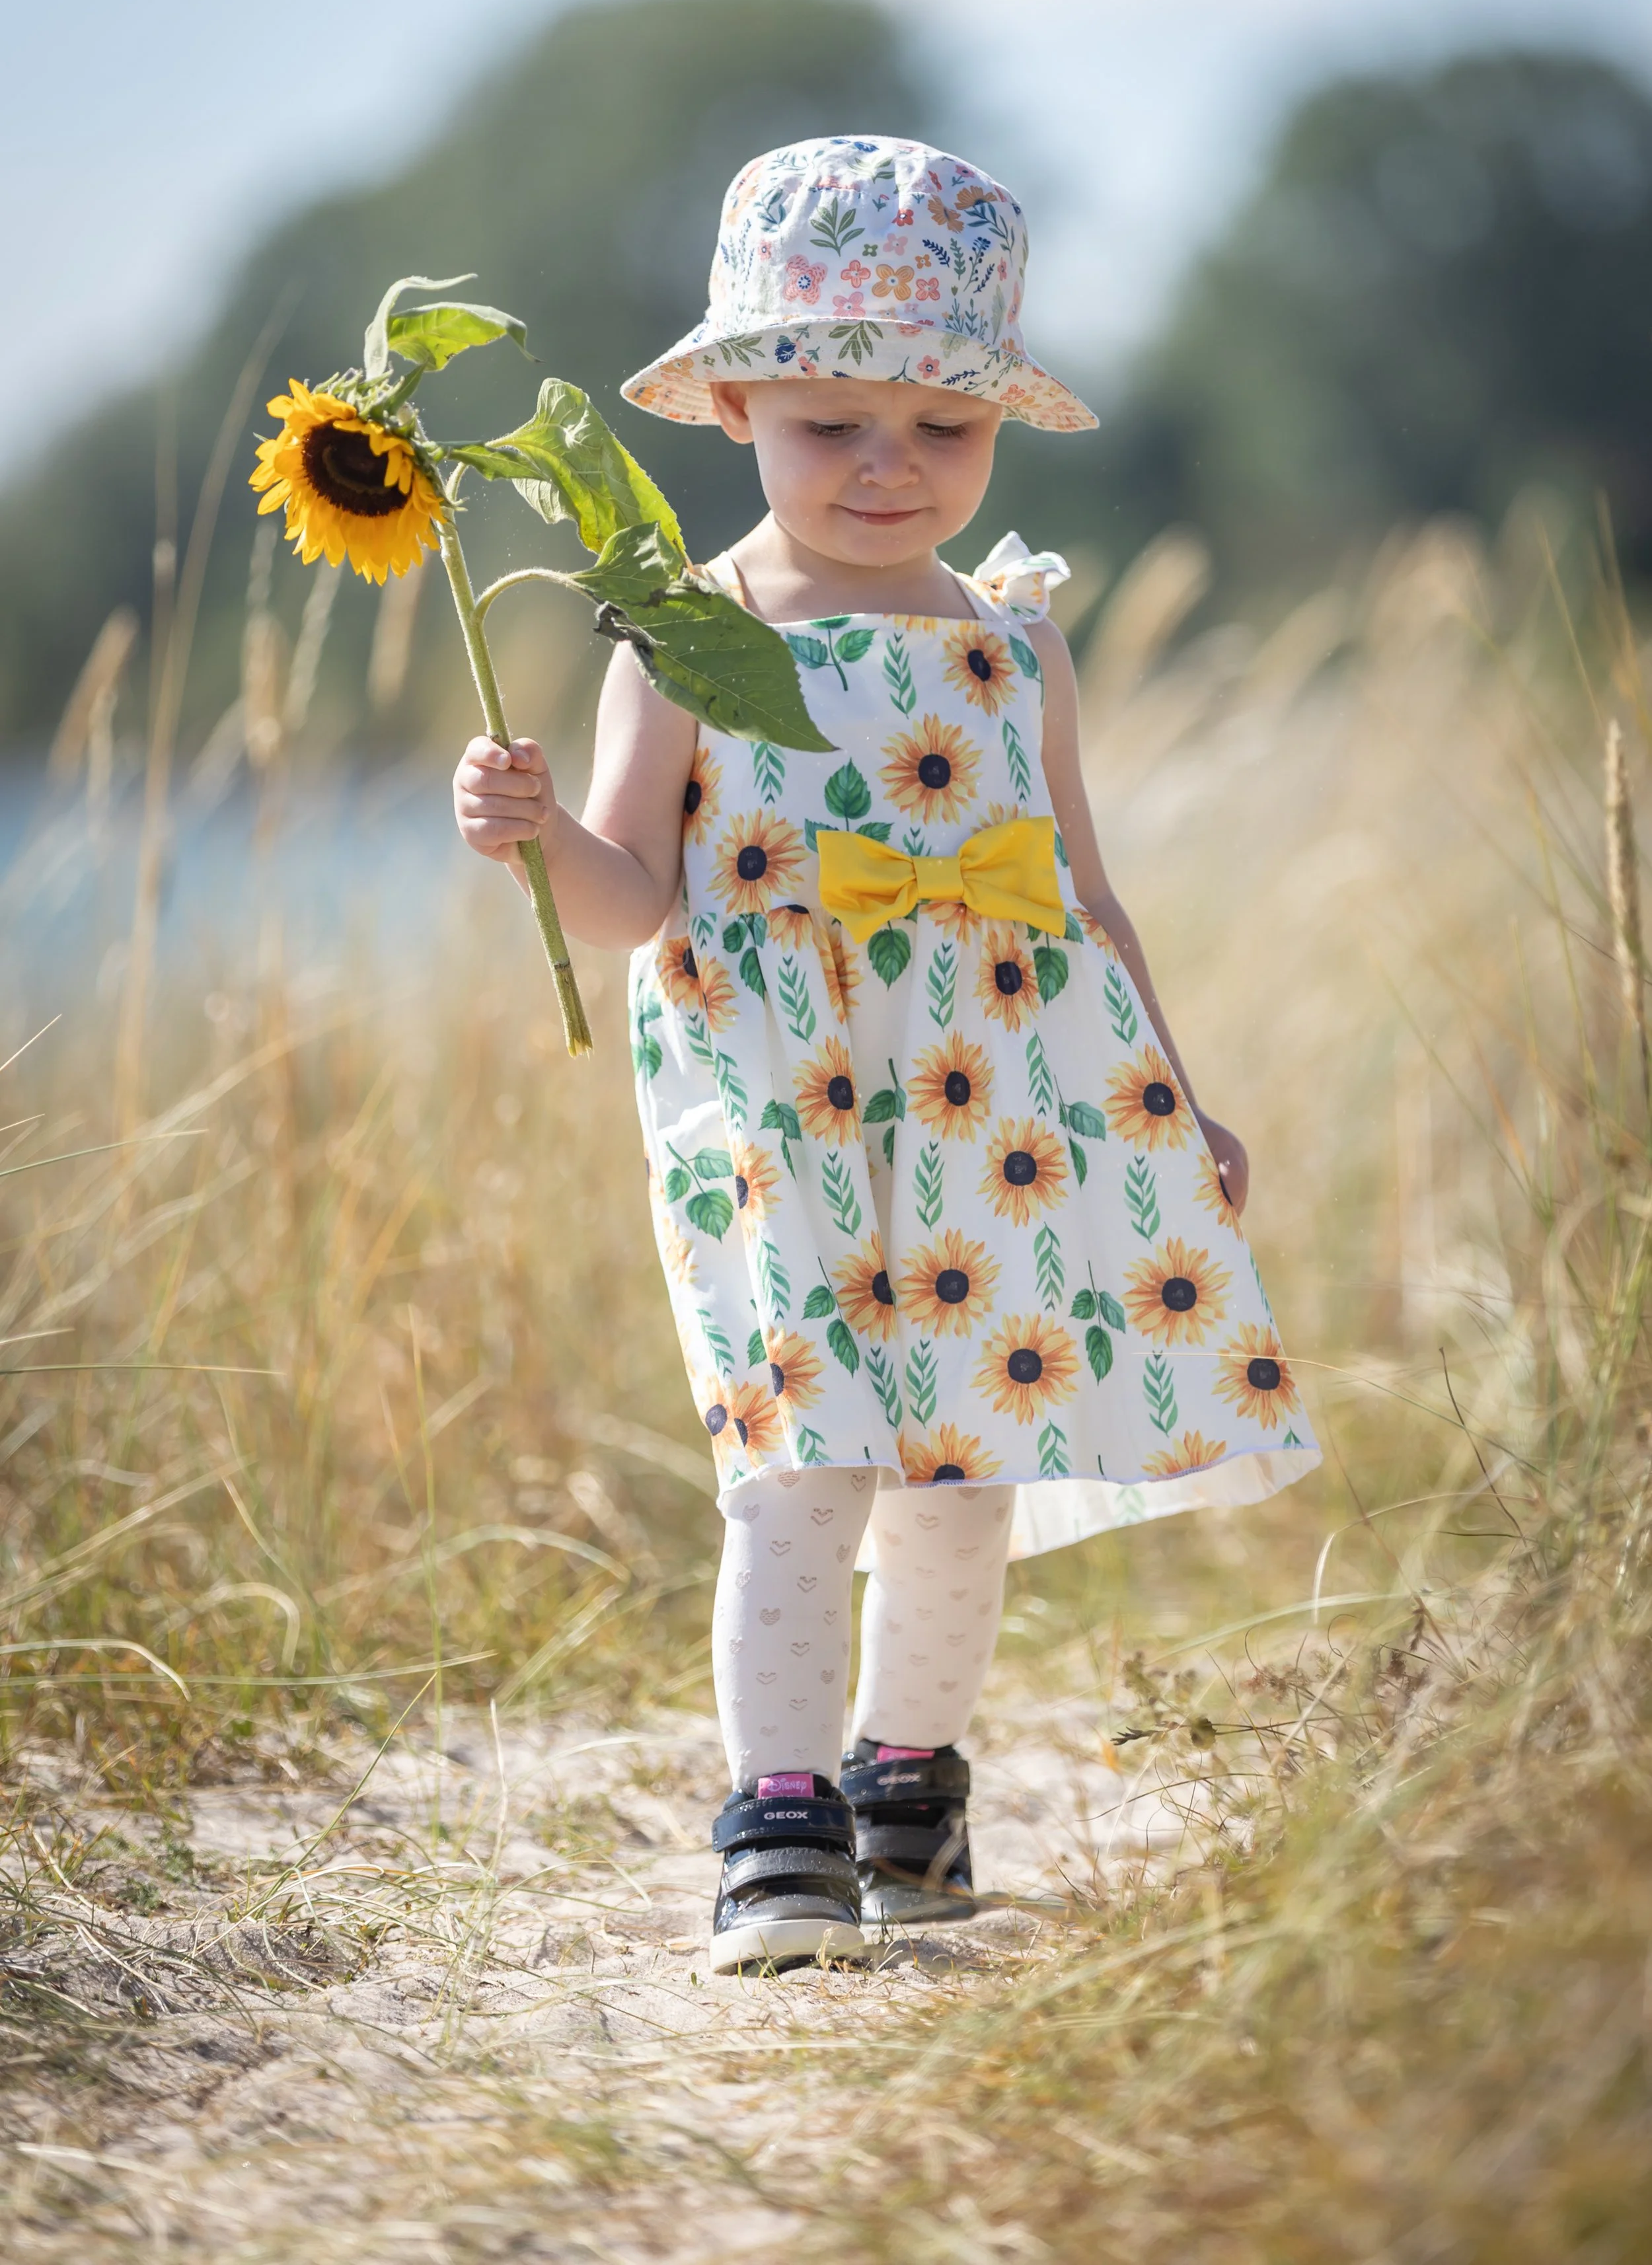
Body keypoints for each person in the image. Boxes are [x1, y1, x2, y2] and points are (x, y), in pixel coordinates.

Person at [453, 135, 1320, 1973]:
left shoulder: (1009, 644)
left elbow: (1084, 892)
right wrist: (538, 833)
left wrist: (1173, 1094)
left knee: (961, 1464)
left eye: (939, 426)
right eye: (833, 419)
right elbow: (631, 898)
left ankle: (907, 1779)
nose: (885, 466)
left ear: (993, 427)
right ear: (741, 404)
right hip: (777, 1115)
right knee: (800, 1455)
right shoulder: (686, 636)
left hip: (992, 1116)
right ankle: (776, 1816)